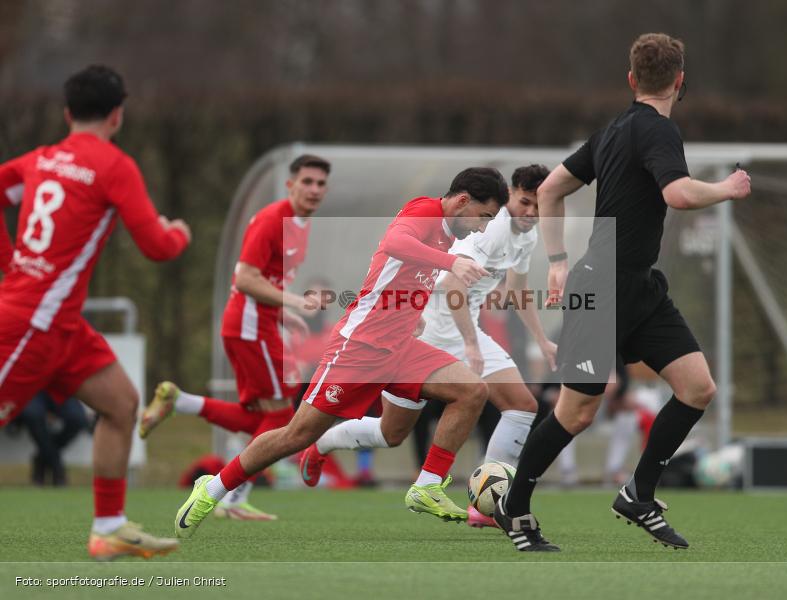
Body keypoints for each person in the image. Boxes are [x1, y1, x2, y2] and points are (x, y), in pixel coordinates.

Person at [494, 33, 751, 552]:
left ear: (632, 80)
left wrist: (559, 261)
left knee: (697, 387)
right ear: (680, 82)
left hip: (637, 286)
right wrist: (726, 188)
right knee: (576, 413)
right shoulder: (658, 131)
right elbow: (677, 194)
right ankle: (513, 507)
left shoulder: (612, 131)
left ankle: (638, 493)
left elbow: (549, 190)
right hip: (604, 283)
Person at [174, 167, 508, 538]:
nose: (482, 228)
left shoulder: (446, 230)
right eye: (484, 217)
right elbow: (396, 243)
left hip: (400, 347)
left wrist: (412, 313)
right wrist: (453, 263)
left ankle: (427, 485)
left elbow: (399, 271)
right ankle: (214, 487)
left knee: (469, 391)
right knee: (295, 434)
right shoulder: (425, 213)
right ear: (463, 201)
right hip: (360, 348)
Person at [295, 164, 558, 528]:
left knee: (522, 406)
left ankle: (491, 505)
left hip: (468, 331)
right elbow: (452, 285)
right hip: (434, 330)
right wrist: (470, 343)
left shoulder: (525, 235)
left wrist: (542, 340)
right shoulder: (489, 229)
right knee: (391, 434)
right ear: (511, 193)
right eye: (526, 202)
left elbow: (518, 291)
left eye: (539, 207)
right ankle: (324, 441)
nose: (531, 213)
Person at [0, 65, 190, 560]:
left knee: (121, 404)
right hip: (29, 324)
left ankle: (108, 529)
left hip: (60, 325)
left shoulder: (40, 159)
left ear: (67, 113)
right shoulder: (113, 165)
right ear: (117, 114)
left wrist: (9, 261)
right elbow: (157, 246)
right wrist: (179, 233)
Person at [139, 154, 329, 520]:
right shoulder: (273, 220)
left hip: (256, 324)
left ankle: (179, 401)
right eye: (307, 181)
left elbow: (267, 281)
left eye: (320, 184)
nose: (314, 190)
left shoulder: (299, 225)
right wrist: (294, 302)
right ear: (290, 185)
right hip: (249, 327)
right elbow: (244, 278)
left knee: (255, 418)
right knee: (283, 419)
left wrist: (286, 314)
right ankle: (231, 497)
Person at [18, 391, 90, 486]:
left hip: (59, 387)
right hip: (33, 389)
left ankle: (42, 459)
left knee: (78, 419)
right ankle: (57, 467)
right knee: (32, 415)